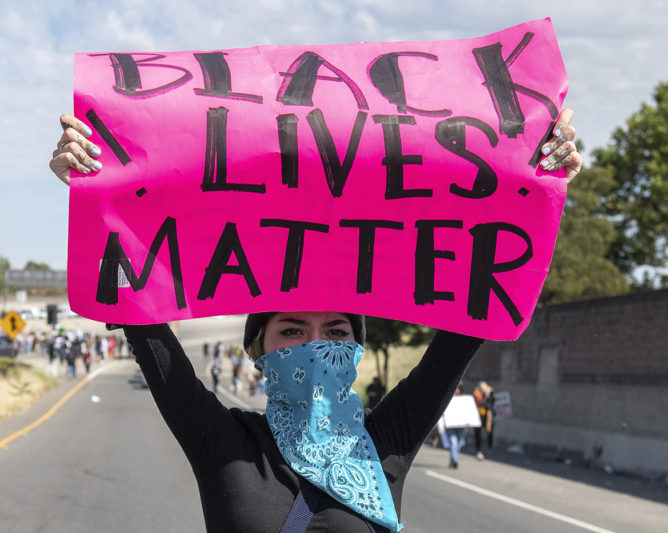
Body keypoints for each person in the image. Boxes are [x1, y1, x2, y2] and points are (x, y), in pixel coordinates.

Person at [50, 110, 581, 532]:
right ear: (259, 347)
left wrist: (534, 177)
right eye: (293, 330)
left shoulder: (386, 440)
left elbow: (470, 314)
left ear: (354, 346)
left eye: (336, 332)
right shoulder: (225, 441)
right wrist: (94, 185)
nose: (315, 345)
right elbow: (141, 317)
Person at [472, 381, 495, 460]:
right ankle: (479, 451)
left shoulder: (487, 398)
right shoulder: (478, 396)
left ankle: (480, 451)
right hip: (478, 419)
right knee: (478, 435)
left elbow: (489, 410)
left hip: (483, 420)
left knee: (481, 436)